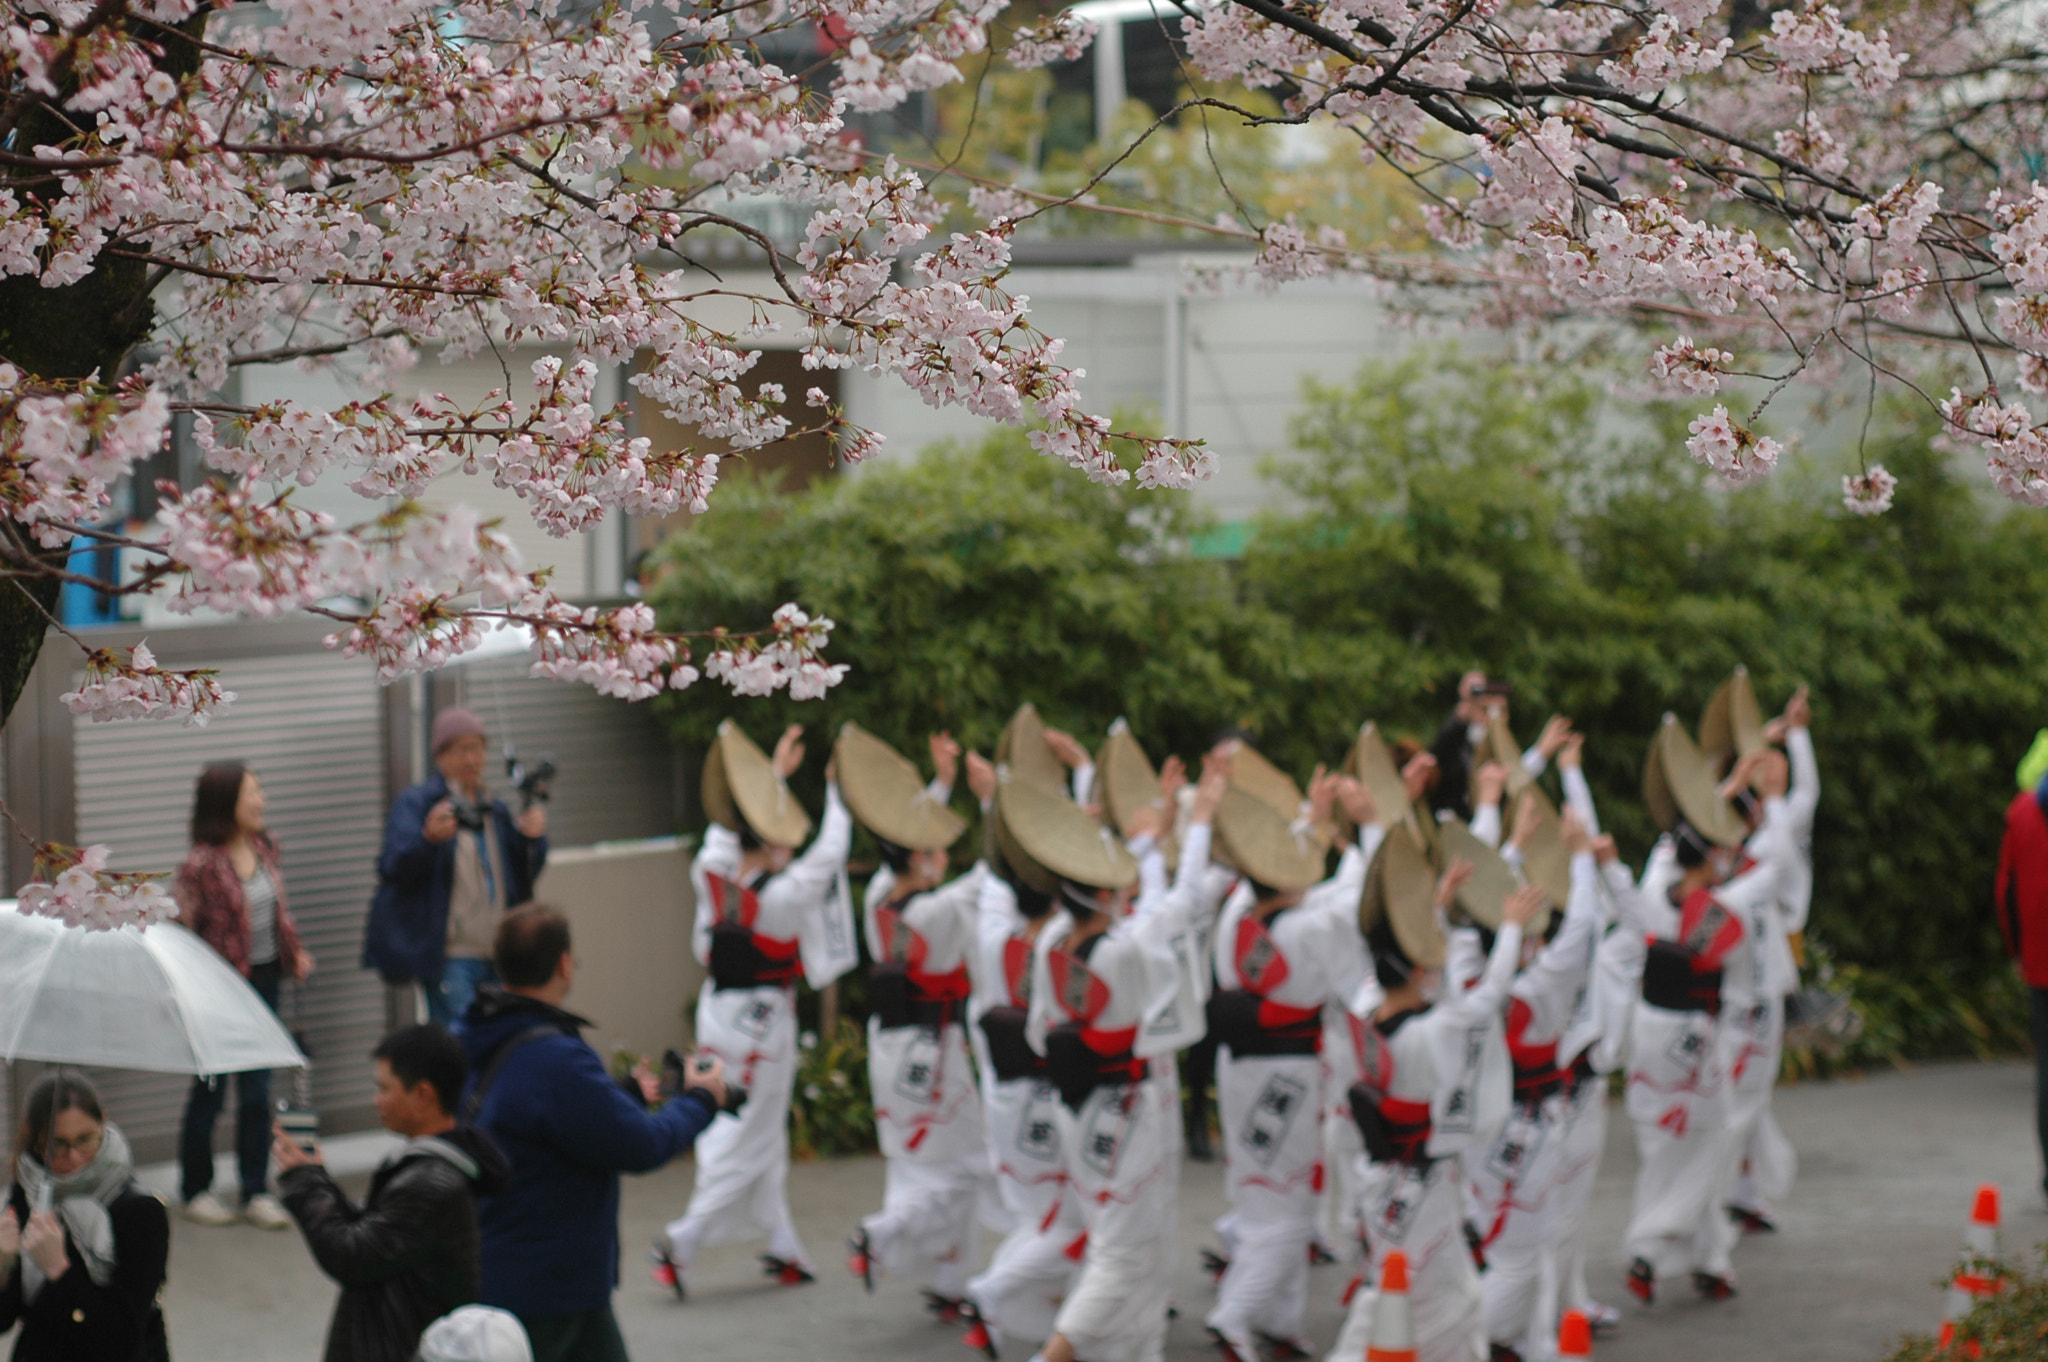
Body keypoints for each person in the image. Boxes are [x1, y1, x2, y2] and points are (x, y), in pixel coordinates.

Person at [1019, 756, 1228, 1362]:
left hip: (1077, 1105)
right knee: (1123, 1250)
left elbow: (1039, 1034)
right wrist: (1199, 824)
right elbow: (1182, 898)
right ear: (1107, 892)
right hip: (1123, 1110)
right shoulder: (1124, 948)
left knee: (1135, 1241)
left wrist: (1152, 833)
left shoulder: (1051, 946)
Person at [462, 908, 726, 1362]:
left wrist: (618, 1095)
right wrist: (701, 1100)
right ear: (564, 964)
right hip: (551, 1286)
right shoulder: (555, 1057)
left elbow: (531, 1115)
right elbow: (642, 1146)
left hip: (500, 1263)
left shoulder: (473, 1033)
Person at [658, 721, 855, 1294]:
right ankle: (685, 1238)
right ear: (767, 836)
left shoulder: (712, 874)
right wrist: (840, 792)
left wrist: (769, 776)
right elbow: (832, 850)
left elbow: (726, 832)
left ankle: (782, 1244)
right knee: (754, 1131)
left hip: (720, 1012)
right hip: (767, 1020)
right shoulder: (786, 893)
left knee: (752, 1129)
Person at [1325, 863, 1540, 1362]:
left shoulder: (1360, 1019)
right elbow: (1487, 996)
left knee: (1419, 1291)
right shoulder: (1428, 1032)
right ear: (1419, 971)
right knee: (1433, 1297)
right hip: (1419, 1184)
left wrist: (1438, 911)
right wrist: (1509, 928)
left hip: (1379, 1176)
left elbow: (1433, 981)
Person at [1203, 770, 1380, 1362]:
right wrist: (1366, 828)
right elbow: (1361, 900)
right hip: (1290, 1076)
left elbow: (1318, 888)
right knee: (1291, 1205)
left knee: (1260, 1192)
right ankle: (1235, 1314)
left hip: (1237, 1071)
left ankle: (1282, 1323)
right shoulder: (1312, 925)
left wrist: (1314, 821)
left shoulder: (1234, 916)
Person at [840, 730, 990, 1315]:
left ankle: (950, 1281)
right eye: (933, 848)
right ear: (920, 855)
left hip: (890, 1046)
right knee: (966, 1167)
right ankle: (886, 1232)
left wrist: (943, 783)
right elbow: (996, 875)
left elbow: (908, 838)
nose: (943, 854)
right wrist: (988, 801)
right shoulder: (939, 909)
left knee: (920, 1162)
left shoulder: (881, 897)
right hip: (937, 1049)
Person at [274, 1024, 511, 1362]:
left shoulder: (431, 1184)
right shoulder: (428, 1167)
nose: (376, 1100)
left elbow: (351, 1253)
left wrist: (303, 1180)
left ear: (423, 1094)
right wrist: (316, 1176)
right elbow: (371, 1237)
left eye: (384, 1088)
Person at [173, 760, 315, 1231]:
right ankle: (196, 1188)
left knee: (257, 1091)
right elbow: (183, 931)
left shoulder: (265, 847)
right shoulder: (200, 864)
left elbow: (279, 910)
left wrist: (293, 953)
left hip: (266, 979)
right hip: (217, 989)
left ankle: (255, 1189)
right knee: (209, 1091)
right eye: (251, 792)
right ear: (225, 801)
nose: (261, 800)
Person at [364, 707, 549, 1026]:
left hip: (498, 951)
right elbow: (393, 866)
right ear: (440, 755)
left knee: (497, 1042)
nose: (471, 760)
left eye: (477, 748)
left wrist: (535, 838)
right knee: (460, 1045)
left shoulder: (494, 807)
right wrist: (428, 839)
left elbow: (525, 871)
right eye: (461, 750)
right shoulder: (419, 803)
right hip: (451, 954)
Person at [0, 1074, 170, 1362]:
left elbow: (122, 1338)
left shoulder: (140, 1211)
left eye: (85, 1139)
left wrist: (58, 1269)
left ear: (103, 1122)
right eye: (59, 1144)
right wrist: (4, 1264)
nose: (75, 1157)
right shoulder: (29, 1192)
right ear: (36, 1140)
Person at [1998, 731, 2048, 1202]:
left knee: (2047, 1071)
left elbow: (2006, 892)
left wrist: (2017, 950)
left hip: (2039, 964)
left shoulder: (2021, 813)